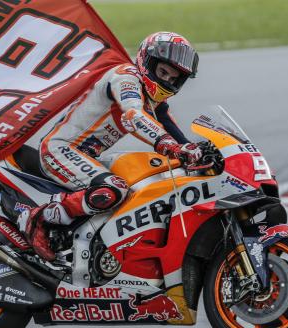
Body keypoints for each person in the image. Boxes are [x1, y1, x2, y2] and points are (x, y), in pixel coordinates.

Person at [17, 32, 202, 261]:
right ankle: (38, 218)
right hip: (59, 149)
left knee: (140, 188)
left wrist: (200, 152)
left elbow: (175, 133)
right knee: (114, 188)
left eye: (174, 79)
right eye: (163, 72)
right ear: (147, 62)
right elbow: (135, 115)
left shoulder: (156, 101)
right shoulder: (125, 77)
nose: (167, 81)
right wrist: (167, 145)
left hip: (85, 157)